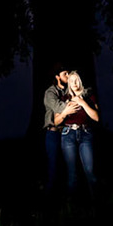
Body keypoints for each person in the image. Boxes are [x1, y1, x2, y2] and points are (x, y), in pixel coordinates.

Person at [57, 70, 99, 194]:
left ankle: (96, 202)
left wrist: (82, 103)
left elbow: (96, 117)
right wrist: (65, 112)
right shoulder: (64, 99)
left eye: (76, 80)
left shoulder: (89, 96)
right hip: (68, 134)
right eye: (71, 81)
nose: (74, 83)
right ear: (68, 83)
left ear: (80, 81)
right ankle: (71, 206)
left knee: (90, 171)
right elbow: (56, 121)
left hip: (85, 134)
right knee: (71, 173)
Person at [40, 63, 70, 191]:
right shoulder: (50, 92)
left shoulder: (69, 90)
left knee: (68, 164)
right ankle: (50, 195)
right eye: (65, 74)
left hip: (67, 132)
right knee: (53, 165)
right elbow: (58, 107)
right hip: (53, 133)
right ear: (58, 77)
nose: (68, 76)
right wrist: (71, 103)